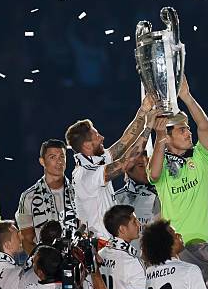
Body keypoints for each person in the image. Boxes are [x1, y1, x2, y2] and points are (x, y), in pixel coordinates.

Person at [148, 75, 208, 279]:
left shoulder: (201, 157)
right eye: (182, 130)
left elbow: (204, 127)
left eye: (188, 128)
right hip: (177, 248)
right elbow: (153, 174)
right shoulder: (160, 164)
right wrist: (159, 137)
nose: (189, 133)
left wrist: (187, 97)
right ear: (167, 137)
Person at [65, 96, 155, 240]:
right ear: (87, 146)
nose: (102, 138)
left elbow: (125, 141)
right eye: (97, 136)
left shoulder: (97, 159)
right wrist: (148, 128)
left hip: (109, 242)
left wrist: (143, 111)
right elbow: (127, 162)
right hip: (100, 245)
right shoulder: (85, 174)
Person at [16, 139, 78, 255]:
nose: (59, 162)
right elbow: (26, 239)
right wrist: (43, 264)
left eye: (62, 157)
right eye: (52, 157)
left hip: (75, 262)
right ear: (42, 161)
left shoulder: (78, 192)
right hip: (44, 266)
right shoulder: (28, 196)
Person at [113, 151, 161, 253]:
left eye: (149, 165)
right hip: (128, 261)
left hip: (157, 260)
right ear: (128, 169)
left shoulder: (163, 193)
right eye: (141, 166)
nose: (147, 169)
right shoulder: (116, 198)